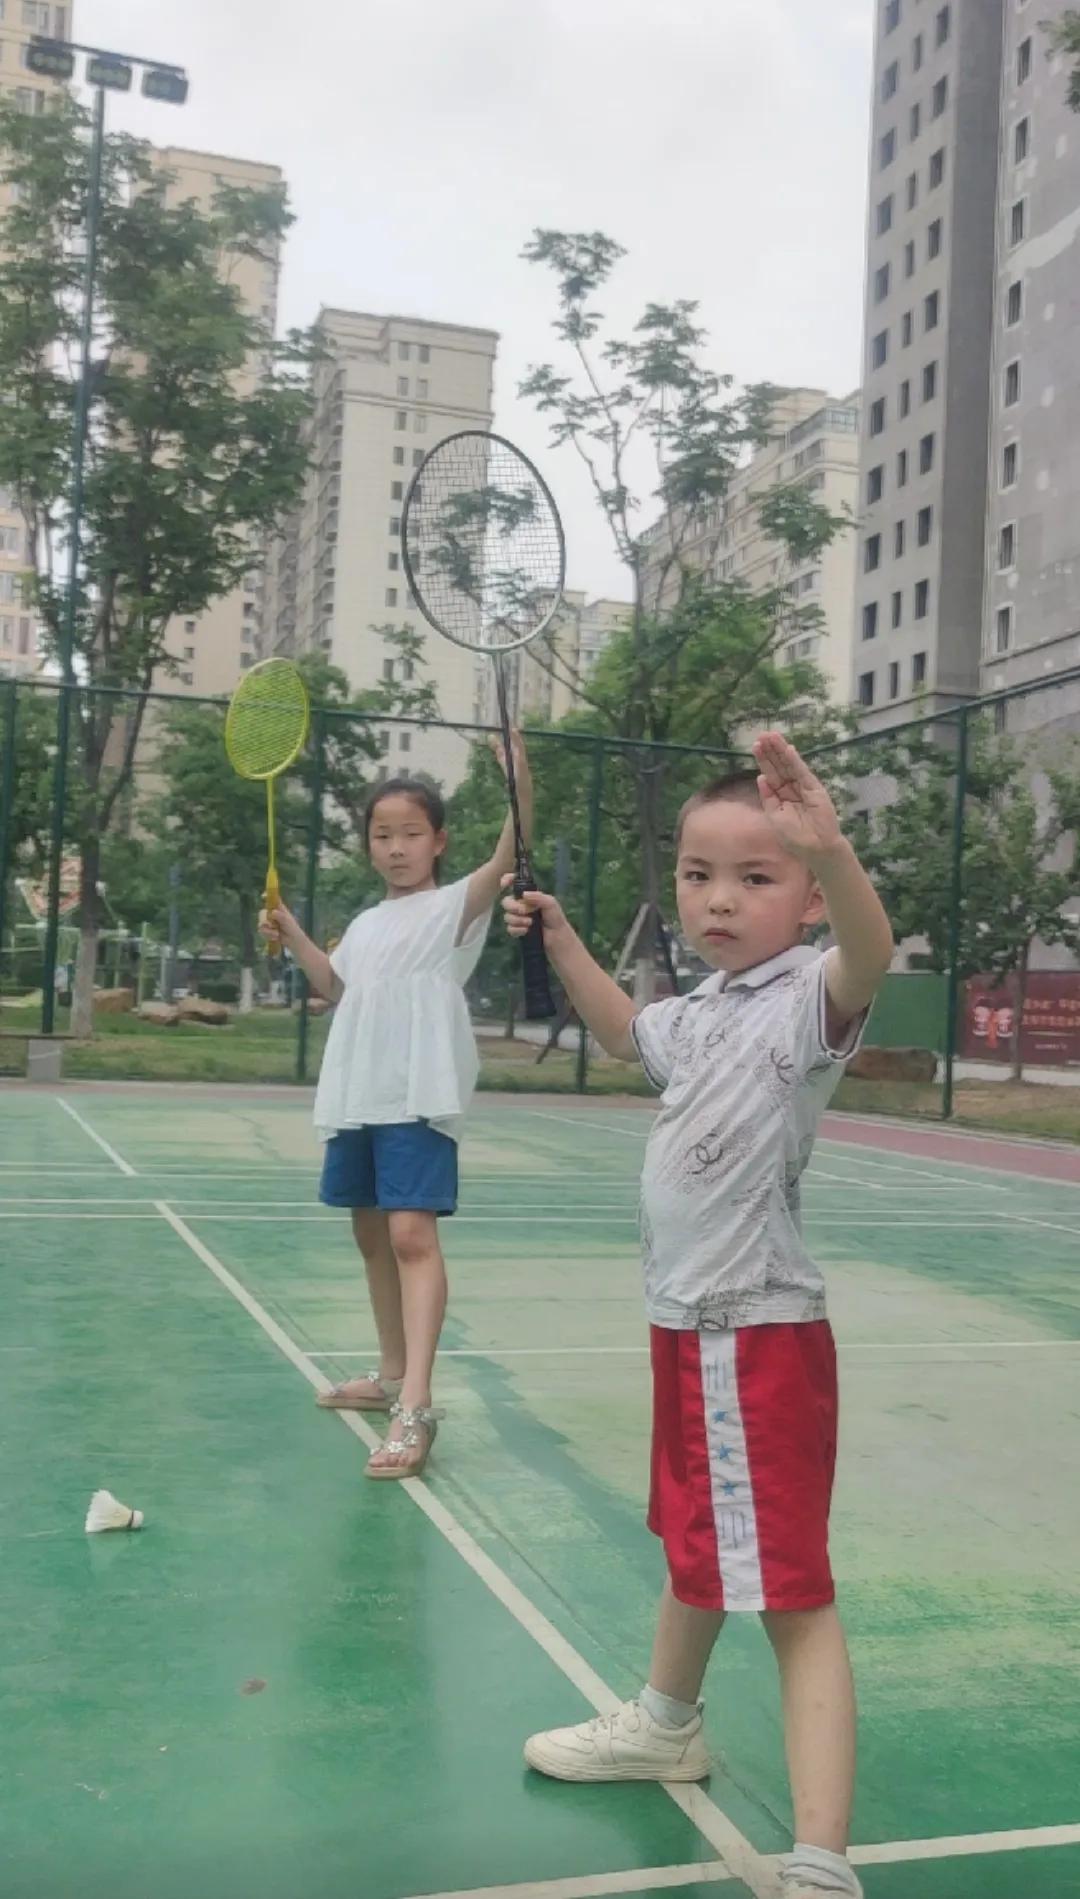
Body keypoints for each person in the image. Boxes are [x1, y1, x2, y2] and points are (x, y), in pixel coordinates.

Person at [503, 733, 893, 1899]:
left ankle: (821, 1857)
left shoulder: (805, 1004)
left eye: (758, 878)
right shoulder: (711, 1007)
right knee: (695, 1537)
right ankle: (666, 1722)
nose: (721, 899)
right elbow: (631, 1033)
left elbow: (869, 952)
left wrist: (834, 846)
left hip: (754, 1337)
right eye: (698, 875)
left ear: (807, 898)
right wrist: (566, 941)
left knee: (791, 1593)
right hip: (686, 1327)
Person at [264, 735, 532, 1480]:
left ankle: (415, 1404)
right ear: (369, 845)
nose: (396, 847)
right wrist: (291, 933)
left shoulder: (456, 908)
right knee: (371, 1233)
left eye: (411, 833)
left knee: (412, 1234)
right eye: (382, 835)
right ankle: (387, 1375)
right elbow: (337, 989)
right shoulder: (368, 924)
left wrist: (519, 782)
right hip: (358, 1096)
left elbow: (513, 845)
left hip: (419, 1095)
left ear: (438, 841)